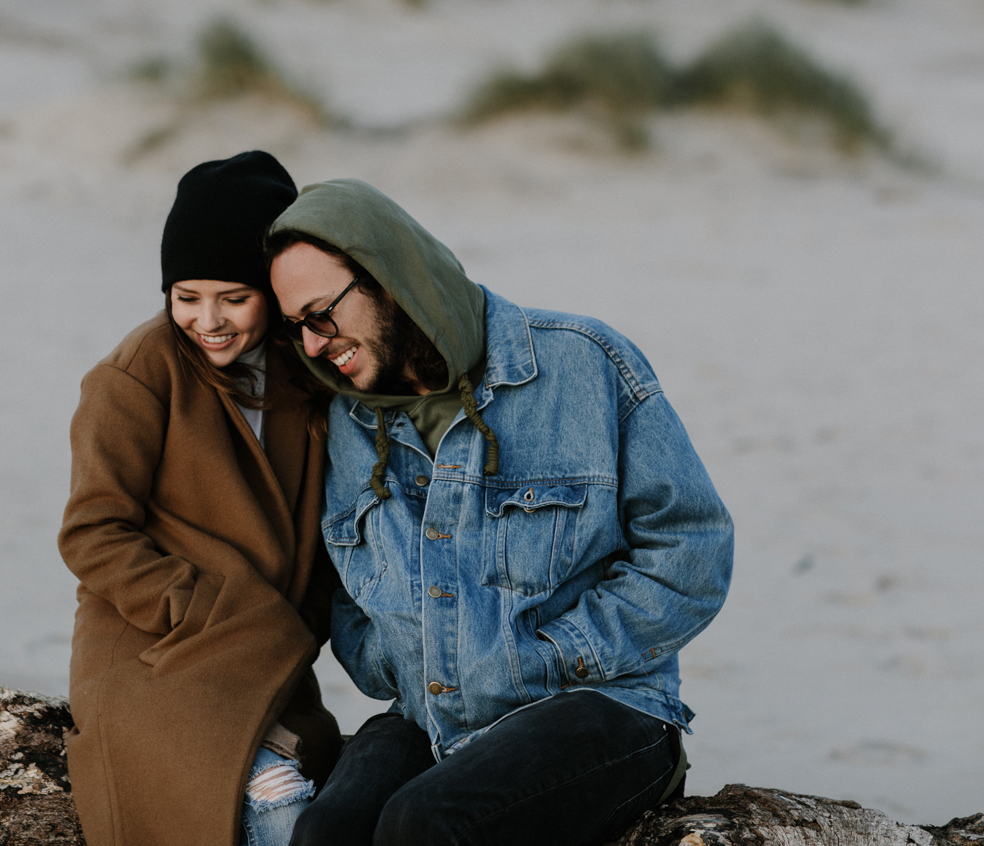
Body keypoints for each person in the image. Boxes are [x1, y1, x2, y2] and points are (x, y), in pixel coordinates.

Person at [264, 178, 735, 846]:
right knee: (326, 834)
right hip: (432, 713)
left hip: (602, 708)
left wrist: (555, 656)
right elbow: (343, 588)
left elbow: (692, 548)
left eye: (321, 315)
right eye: (296, 330)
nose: (313, 345)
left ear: (385, 277)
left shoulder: (583, 364)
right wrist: (397, 664)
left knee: (424, 826)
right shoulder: (348, 422)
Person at [58, 151, 343, 846]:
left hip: (268, 652)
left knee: (318, 789)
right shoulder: (135, 376)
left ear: (272, 290)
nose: (208, 320)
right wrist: (203, 613)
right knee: (272, 796)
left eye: (233, 297)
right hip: (155, 650)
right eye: (186, 297)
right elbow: (93, 533)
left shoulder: (306, 375)